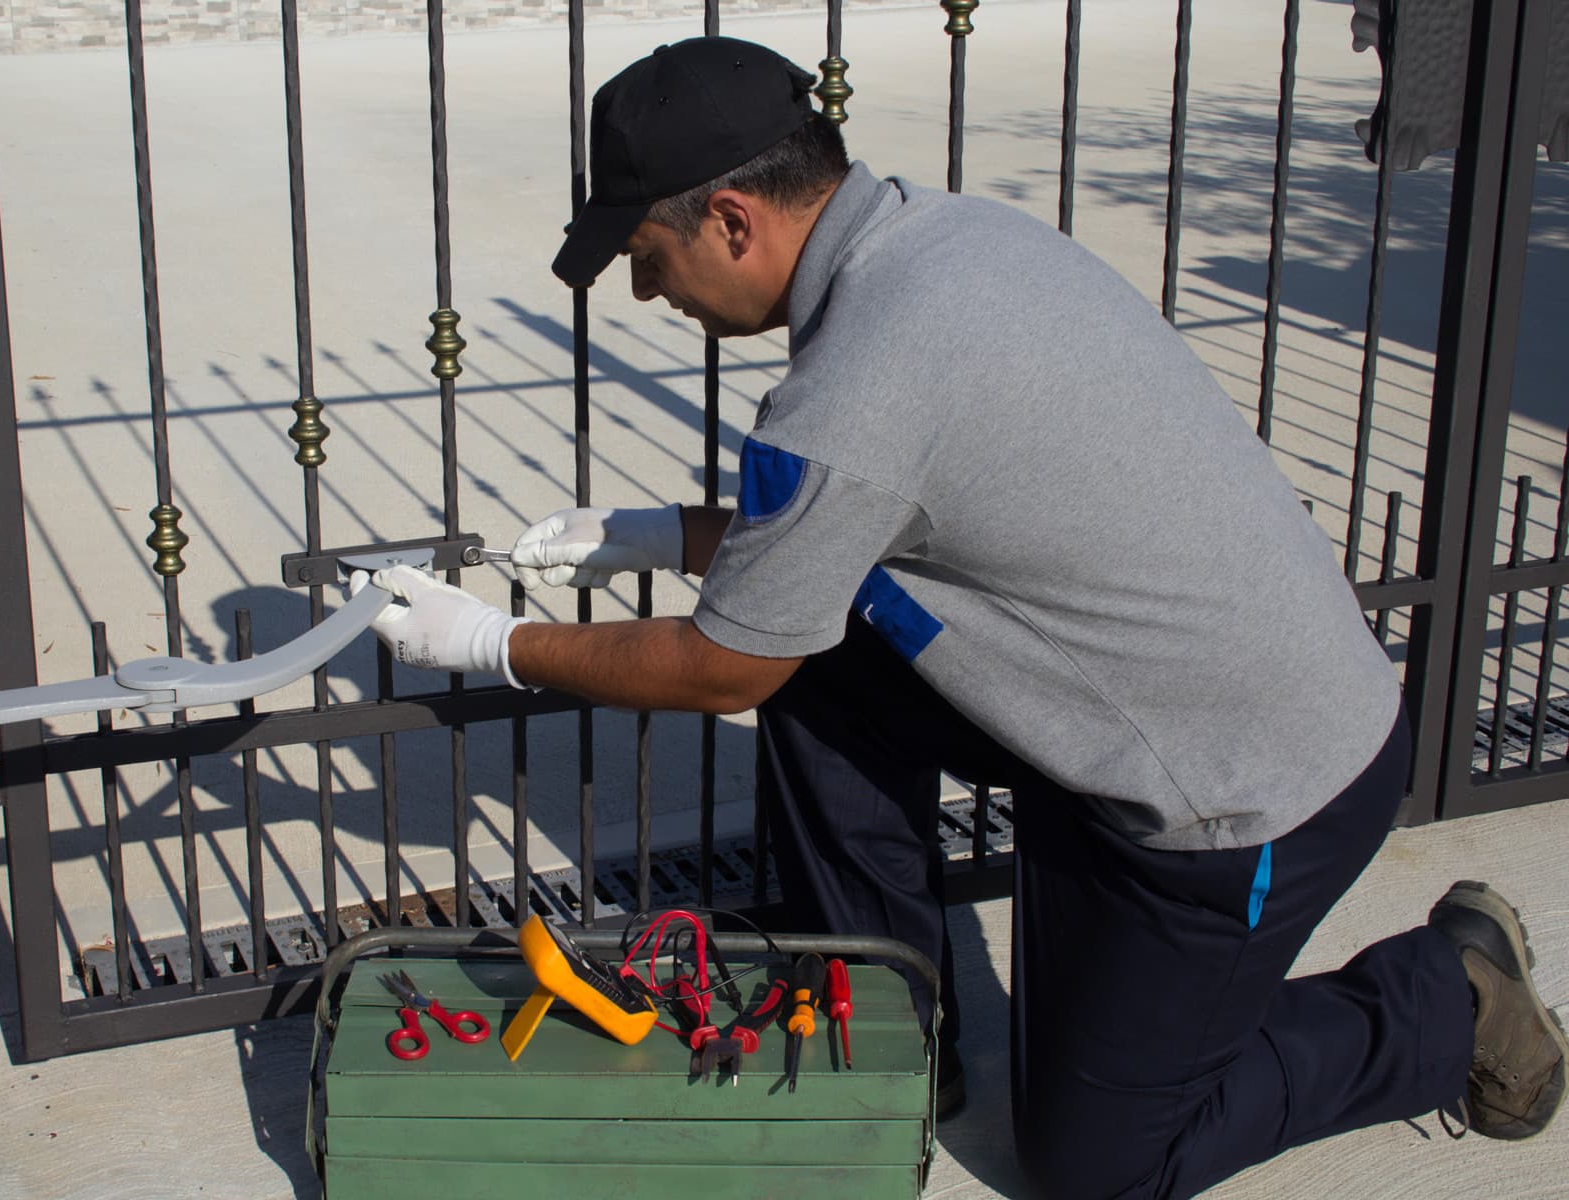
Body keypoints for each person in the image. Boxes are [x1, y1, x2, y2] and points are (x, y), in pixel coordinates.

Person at [362, 35, 1567, 1198]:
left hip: (1244, 795)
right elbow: (868, 537)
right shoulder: (941, 240)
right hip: (1151, 709)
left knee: (1100, 1163)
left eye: (645, 252)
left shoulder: (855, 390)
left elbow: (725, 665)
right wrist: (662, 532)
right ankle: (894, 1031)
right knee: (821, 664)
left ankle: (1449, 996)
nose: (644, 287)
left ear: (732, 221)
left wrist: (490, 642)